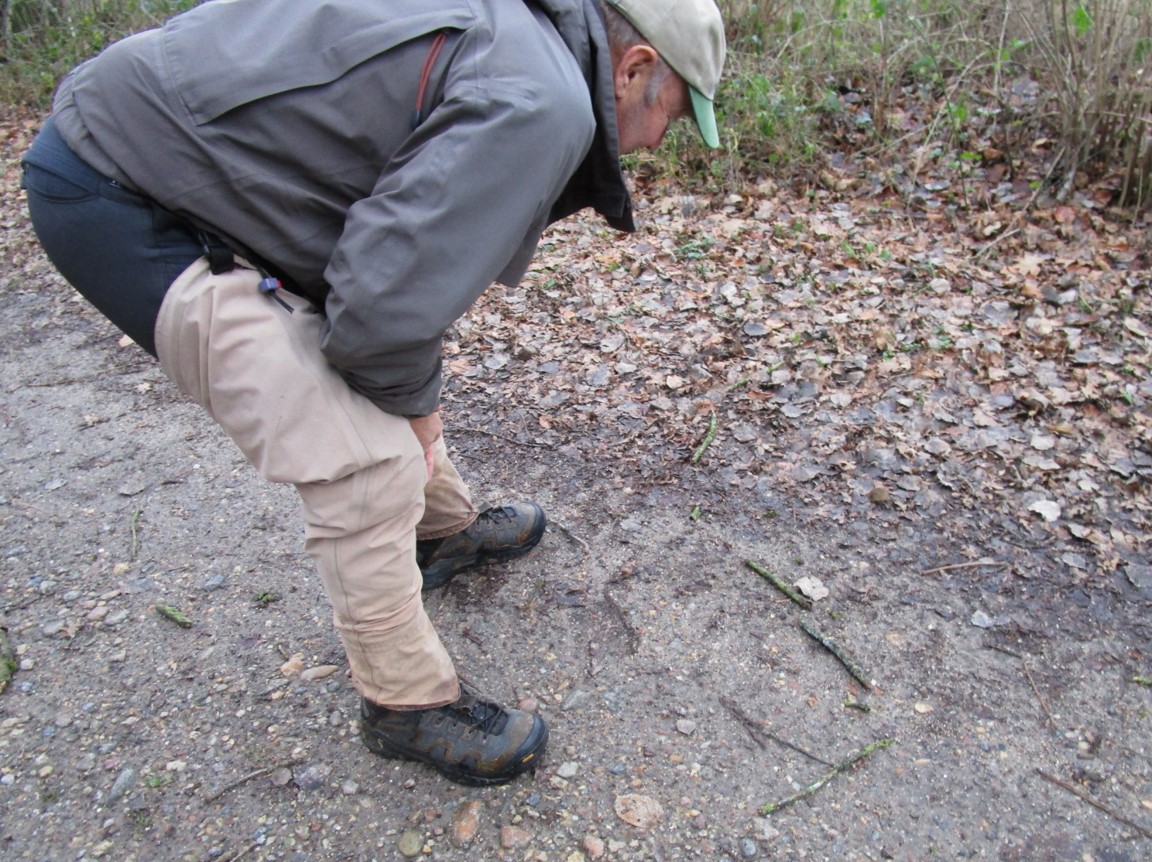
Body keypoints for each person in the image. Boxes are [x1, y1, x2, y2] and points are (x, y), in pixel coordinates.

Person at [21, 0, 726, 787]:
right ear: (633, 70)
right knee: (367, 456)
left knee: (395, 383)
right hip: (125, 190)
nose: (658, 142)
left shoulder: (517, 36)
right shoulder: (541, 97)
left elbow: (393, 263)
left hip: (196, 157)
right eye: (670, 115)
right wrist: (415, 416)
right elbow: (380, 315)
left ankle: (440, 532)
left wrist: (412, 392)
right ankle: (405, 703)